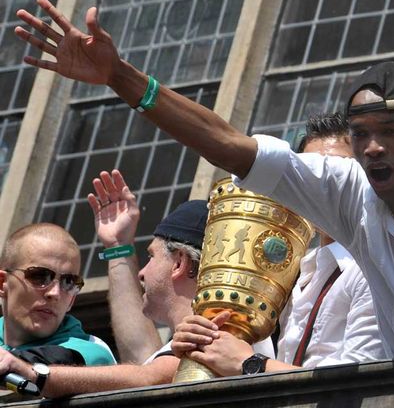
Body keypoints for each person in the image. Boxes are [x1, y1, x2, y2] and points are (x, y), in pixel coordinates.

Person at [15, 0, 394, 358]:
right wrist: (121, 78)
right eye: (360, 133)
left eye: (391, 129)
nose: (372, 146)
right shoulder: (348, 190)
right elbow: (227, 143)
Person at [0, 171, 273, 398]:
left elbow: (147, 378)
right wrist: (118, 246)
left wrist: (33, 373)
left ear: (179, 263)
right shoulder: (179, 348)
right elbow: (143, 359)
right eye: (40, 277)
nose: (141, 272)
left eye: (151, 256)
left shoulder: (226, 326)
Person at [172, 112, 386, 375]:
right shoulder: (300, 274)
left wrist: (249, 365)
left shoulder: (376, 266)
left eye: (337, 171)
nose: (321, 186)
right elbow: (271, 362)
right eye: (311, 173)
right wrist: (208, 338)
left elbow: (363, 378)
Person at [0, 223, 116, 397]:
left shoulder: (92, 351)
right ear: (2, 283)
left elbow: (58, 360)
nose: (55, 293)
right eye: (39, 276)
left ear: (72, 300)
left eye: (69, 282)